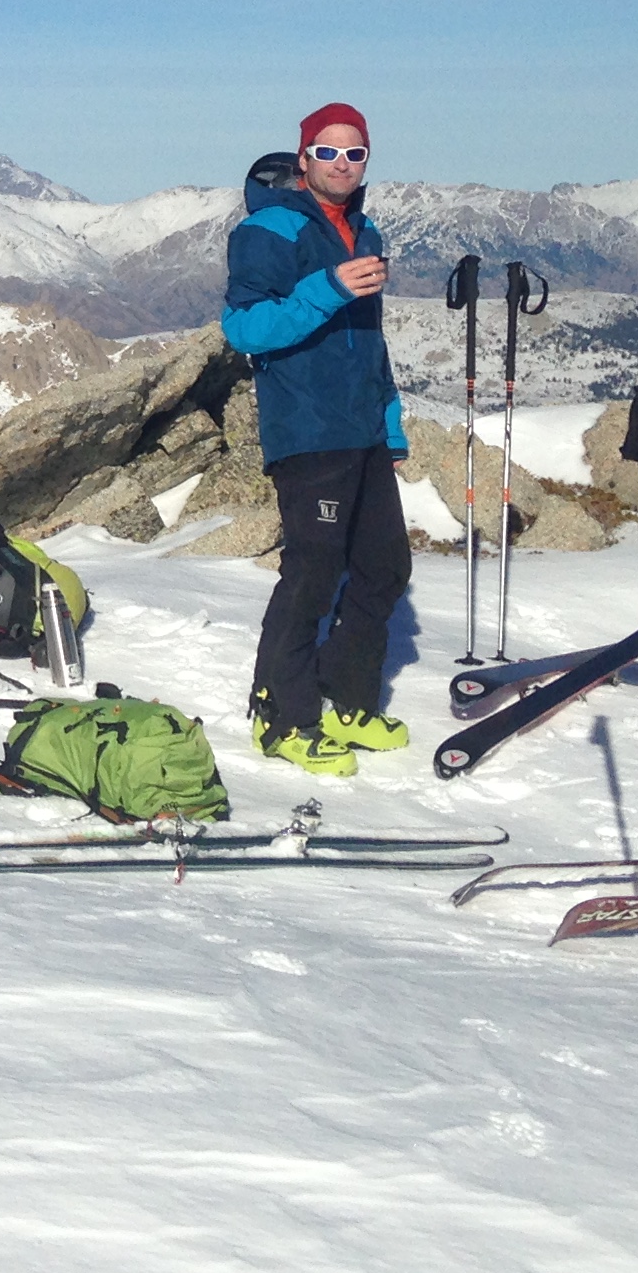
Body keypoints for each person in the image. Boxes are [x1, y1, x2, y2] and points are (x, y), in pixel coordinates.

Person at [220, 103, 412, 778]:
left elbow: (369, 343)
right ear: (303, 159)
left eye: (354, 153)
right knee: (313, 572)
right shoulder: (268, 231)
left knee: (386, 567)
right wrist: (326, 289)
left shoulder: (365, 230)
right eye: (327, 152)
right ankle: (281, 715)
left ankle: (347, 702)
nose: (341, 164)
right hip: (307, 430)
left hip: (360, 429)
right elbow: (244, 330)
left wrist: (388, 425)